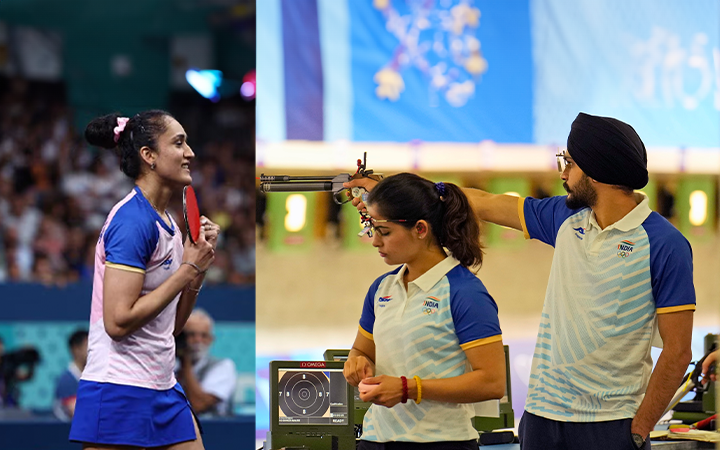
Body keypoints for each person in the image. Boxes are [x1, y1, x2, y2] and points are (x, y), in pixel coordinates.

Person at [346, 113, 695, 450]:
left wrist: (639, 429)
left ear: (596, 170)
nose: (564, 173)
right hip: (542, 417)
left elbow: (677, 351)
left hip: (611, 423)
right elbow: (485, 203)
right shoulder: (566, 217)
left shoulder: (665, 244)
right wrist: (389, 191)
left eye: (569, 162)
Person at [69, 110, 220, 450]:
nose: (190, 153)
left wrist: (199, 263)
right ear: (148, 156)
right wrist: (187, 269)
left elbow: (174, 325)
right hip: (118, 387)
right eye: (178, 143)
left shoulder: (167, 222)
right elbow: (118, 322)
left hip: (162, 384)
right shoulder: (132, 221)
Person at [343, 173, 506, 449]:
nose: (375, 242)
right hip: (376, 439)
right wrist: (356, 364)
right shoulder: (382, 288)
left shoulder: (465, 292)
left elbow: (492, 382)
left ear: (420, 229)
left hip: (441, 442)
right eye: (373, 231)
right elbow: (361, 352)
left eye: (384, 232)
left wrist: (409, 389)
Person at [176, 308, 237, 416]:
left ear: (210, 339)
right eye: (191, 335)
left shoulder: (223, 366)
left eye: (203, 336)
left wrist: (185, 361)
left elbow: (198, 405)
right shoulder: (170, 365)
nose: (198, 341)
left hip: (217, 429)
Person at [54, 329, 88, 420]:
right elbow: (78, 413)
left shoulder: (91, 376)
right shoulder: (66, 380)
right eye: (88, 346)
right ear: (76, 349)